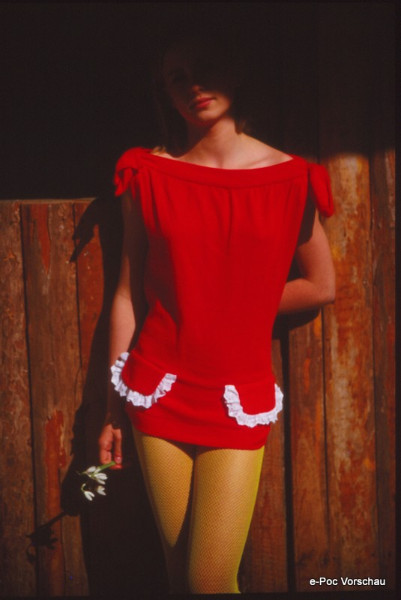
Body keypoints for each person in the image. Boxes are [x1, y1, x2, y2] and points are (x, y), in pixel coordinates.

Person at [98, 23, 335, 594]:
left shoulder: (290, 178)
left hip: (237, 397)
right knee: (181, 576)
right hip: (155, 389)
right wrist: (111, 409)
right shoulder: (148, 173)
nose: (193, 86)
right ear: (165, 92)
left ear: (237, 72)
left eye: (204, 69)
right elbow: (127, 295)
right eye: (176, 77)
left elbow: (320, 284)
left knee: (208, 579)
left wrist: (234, 302)